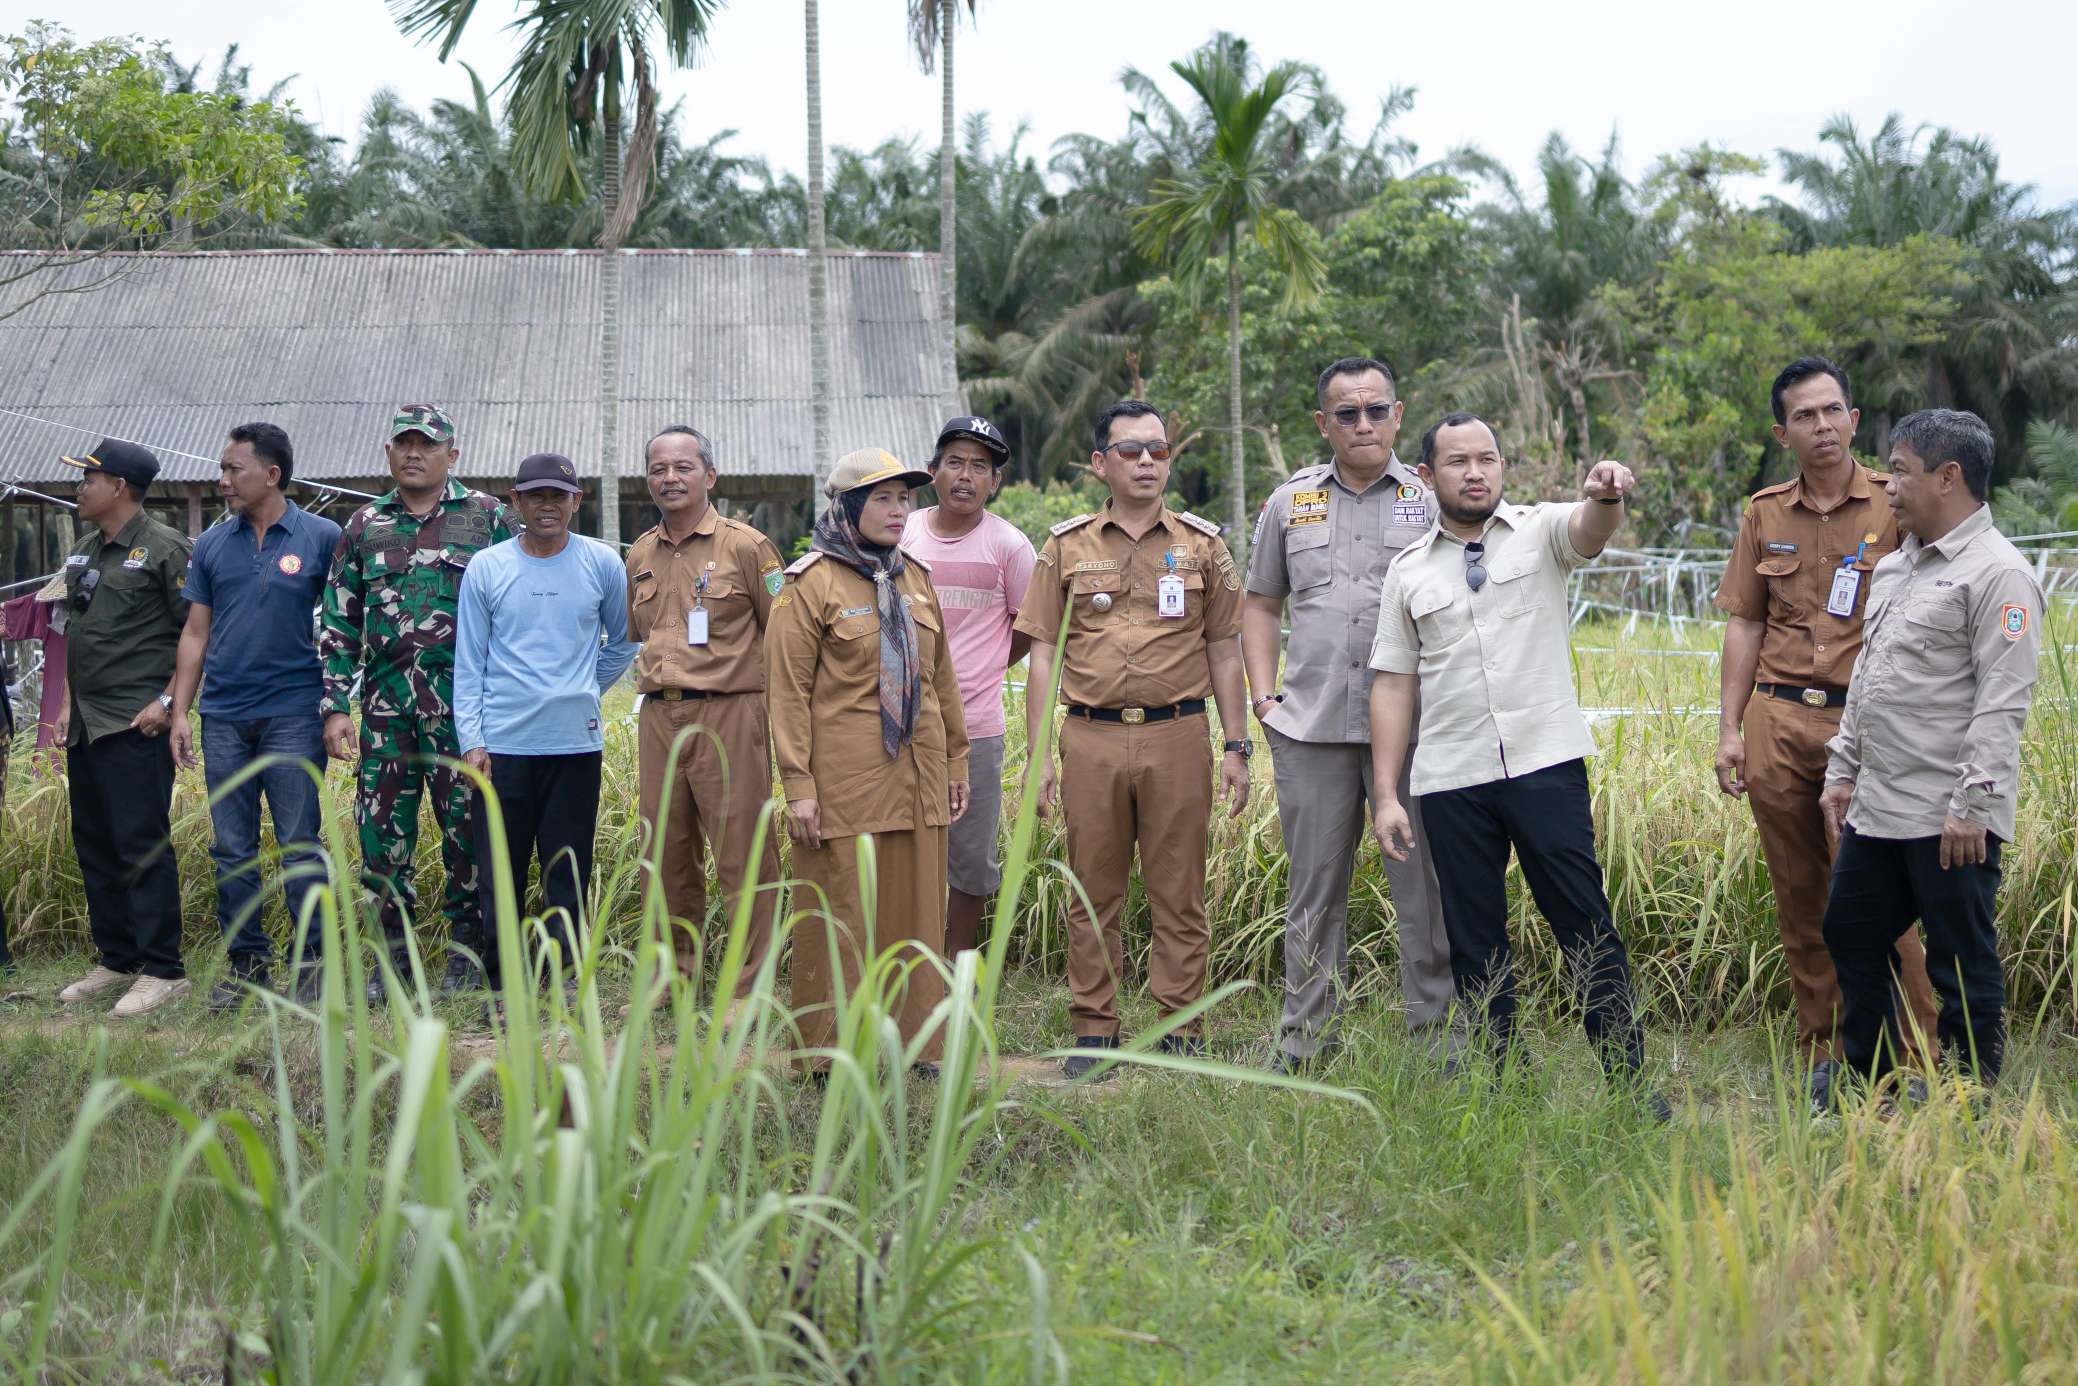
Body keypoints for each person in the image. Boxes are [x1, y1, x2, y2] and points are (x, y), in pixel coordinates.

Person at [1368, 413, 1665, 1118]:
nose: (1476, 472)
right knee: (1474, 939)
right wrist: (1386, 793)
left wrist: (1607, 494)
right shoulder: (1408, 572)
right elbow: (1392, 683)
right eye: (1457, 462)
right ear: (1426, 476)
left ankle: (1629, 1082)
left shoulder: (1540, 531)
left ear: (1502, 468)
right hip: (1451, 777)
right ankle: (1504, 1082)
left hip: (1544, 764)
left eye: (1487, 459)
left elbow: (1591, 531)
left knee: (1584, 923)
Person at [1713, 357, 1941, 1112]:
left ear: (1852, 416)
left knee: (1880, 891)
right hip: (1777, 715)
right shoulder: (1764, 514)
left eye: (1833, 411)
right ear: (1783, 432)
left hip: (1867, 722)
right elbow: (1746, 619)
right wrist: (1730, 730)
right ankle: (1832, 1054)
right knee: (1802, 894)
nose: (1823, 427)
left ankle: (1915, 1054)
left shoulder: (1894, 502)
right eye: (1805, 417)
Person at [1014, 400, 1250, 1081]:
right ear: (1100, 464)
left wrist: (1237, 746)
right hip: (1089, 738)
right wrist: (1038, 760)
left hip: (1178, 735)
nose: (1147, 461)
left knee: (1179, 890)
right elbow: (1041, 658)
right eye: (1130, 451)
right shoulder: (1065, 546)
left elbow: (1226, 651)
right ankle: (1095, 1029)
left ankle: (1181, 1026)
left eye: (1158, 449)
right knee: (1093, 891)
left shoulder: (1204, 545)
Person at [1242, 357, 1456, 1073]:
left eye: (1375, 411)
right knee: (1313, 892)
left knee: (1425, 890)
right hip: (1311, 728)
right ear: (1322, 424)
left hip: (1417, 731)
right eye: (1345, 414)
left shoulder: (1433, 500)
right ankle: (1302, 1042)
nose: (1361, 424)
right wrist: (1265, 699)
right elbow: (1262, 603)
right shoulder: (1289, 503)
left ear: (1398, 416)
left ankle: (1436, 1040)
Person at [1820, 408, 2041, 1095]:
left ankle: (1968, 1097)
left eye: (1902, 472)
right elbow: (1867, 679)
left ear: (1949, 478)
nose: (1887, 487)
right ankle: (1871, 1078)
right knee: (1851, 931)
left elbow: (2003, 701)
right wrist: (1842, 769)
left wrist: (1972, 805)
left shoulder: (1999, 575)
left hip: (1951, 814)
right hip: (1881, 805)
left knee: (1957, 958)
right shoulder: (1893, 569)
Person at [766, 449, 970, 1078]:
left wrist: (957, 761)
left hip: (918, 776)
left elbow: (941, 682)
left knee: (916, 913)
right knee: (838, 911)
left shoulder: (917, 579)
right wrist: (797, 785)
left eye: (905, 499)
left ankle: (918, 1048)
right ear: (849, 506)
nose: (898, 511)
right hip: (843, 781)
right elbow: (787, 692)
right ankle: (829, 1055)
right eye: (882, 499)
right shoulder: (808, 585)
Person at [319, 405, 518, 1001]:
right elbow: (337, 621)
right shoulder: (364, 526)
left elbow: (516, 611)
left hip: (467, 713)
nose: (414, 454)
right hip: (386, 711)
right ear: (388, 453)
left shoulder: (489, 520)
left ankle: (467, 956)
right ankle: (391, 961)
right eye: (403, 444)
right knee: (382, 836)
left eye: (426, 445)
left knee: (468, 834)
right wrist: (334, 705)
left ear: (451, 456)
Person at [169, 423, 343, 1008]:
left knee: (299, 842)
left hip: (295, 713)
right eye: (222, 470)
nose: (222, 481)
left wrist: (336, 706)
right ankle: (245, 967)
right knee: (231, 847)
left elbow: (346, 627)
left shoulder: (322, 537)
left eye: (232, 469)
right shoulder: (213, 545)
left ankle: (314, 966)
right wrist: (180, 713)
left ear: (271, 475)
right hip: (223, 716)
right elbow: (195, 633)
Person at [455, 453, 637, 989]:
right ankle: (504, 983)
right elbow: (470, 662)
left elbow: (624, 642)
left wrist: (580, 689)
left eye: (558, 496)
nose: (547, 506)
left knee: (567, 869)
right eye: (535, 495)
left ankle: (561, 979)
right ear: (516, 502)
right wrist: (472, 740)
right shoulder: (489, 567)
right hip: (503, 746)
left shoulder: (601, 563)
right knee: (500, 874)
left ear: (576, 502)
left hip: (574, 746)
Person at [625, 426, 786, 1005]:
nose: (669, 477)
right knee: (664, 854)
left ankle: (751, 987)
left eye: (682, 467)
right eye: (658, 469)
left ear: (709, 476)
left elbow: (784, 636)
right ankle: (672, 980)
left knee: (744, 852)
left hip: (730, 714)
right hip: (659, 717)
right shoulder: (640, 553)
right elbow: (636, 636)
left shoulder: (748, 547)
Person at [51, 439, 194, 1017]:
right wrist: (64, 703)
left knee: (140, 843)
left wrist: (169, 700)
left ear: (120, 487)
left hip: (137, 721)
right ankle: (117, 958)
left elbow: (196, 635)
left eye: (90, 478)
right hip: (87, 722)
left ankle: (163, 969)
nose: (80, 488)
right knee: (96, 842)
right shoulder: (85, 549)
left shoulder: (165, 548)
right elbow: (72, 631)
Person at [899, 414, 1036, 957]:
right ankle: (906, 963)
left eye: (980, 466)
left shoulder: (1010, 547)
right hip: (898, 724)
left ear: (994, 482)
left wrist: (975, 674)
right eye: (954, 462)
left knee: (970, 855)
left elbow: (1025, 631)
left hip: (976, 728)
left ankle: (954, 967)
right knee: (903, 848)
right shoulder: (902, 535)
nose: (966, 475)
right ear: (933, 471)